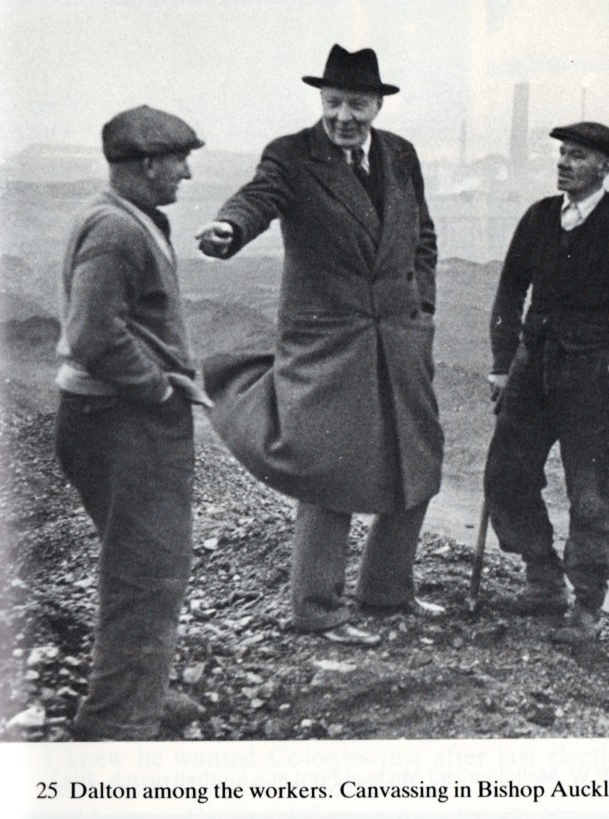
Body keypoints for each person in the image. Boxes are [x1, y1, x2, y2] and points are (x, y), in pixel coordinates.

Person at [196, 45, 443, 647]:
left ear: (377, 105)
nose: (342, 117)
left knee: (418, 459)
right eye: (333, 102)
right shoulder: (291, 154)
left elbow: (422, 236)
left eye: (356, 104)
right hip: (328, 344)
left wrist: (423, 307)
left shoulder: (401, 154)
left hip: (399, 337)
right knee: (329, 468)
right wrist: (230, 228)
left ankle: (387, 591)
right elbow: (259, 197)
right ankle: (316, 608)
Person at [54, 105, 211, 740]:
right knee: (146, 573)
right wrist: (159, 391)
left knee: (142, 565)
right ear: (148, 164)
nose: (187, 173)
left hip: (109, 417)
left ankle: (137, 691)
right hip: (123, 421)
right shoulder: (117, 230)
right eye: (179, 160)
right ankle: (117, 722)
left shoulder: (121, 216)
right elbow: (93, 334)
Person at [483, 122, 609, 644]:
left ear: (605, 167)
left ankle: (587, 606)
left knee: (590, 493)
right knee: (506, 475)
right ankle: (542, 579)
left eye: (578, 156)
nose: (564, 163)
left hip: (591, 379)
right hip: (531, 370)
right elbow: (509, 292)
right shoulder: (540, 217)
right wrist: (502, 363)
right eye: (562, 153)